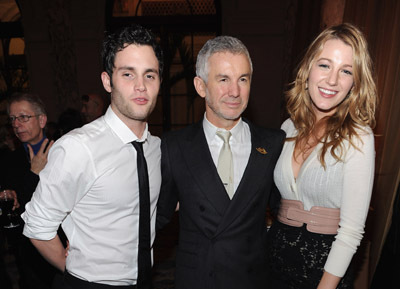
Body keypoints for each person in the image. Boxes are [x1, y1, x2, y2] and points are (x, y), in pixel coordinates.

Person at [22, 23, 163, 289]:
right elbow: (38, 226)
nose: (141, 86)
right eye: (128, 74)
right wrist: (75, 272)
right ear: (107, 81)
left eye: (150, 75)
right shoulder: (77, 148)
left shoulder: (155, 148)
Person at [156, 36, 285, 289]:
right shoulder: (174, 147)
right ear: (200, 86)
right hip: (199, 279)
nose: (235, 92)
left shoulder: (272, 144)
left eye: (243, 79)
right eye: (223, 79)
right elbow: (156, 218)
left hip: (253, 280)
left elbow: (286, 214)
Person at [266, 23, 377, 289]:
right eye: (325, 65)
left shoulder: (358, 137)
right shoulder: (287, 128)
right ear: (308, 70)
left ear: (355, 83)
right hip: (273, 265)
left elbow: (351, 232)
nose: (332, 80)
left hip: (324, 273)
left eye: (346, 71)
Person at [4, 92, 57, 289]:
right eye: (12, 119)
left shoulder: (63, 150)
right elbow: (18, 208)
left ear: (42, 120)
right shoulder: (9, 161)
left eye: (23, 117)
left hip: (66, 243)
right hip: (29, 248)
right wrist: (34, 173)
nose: (16, 124)